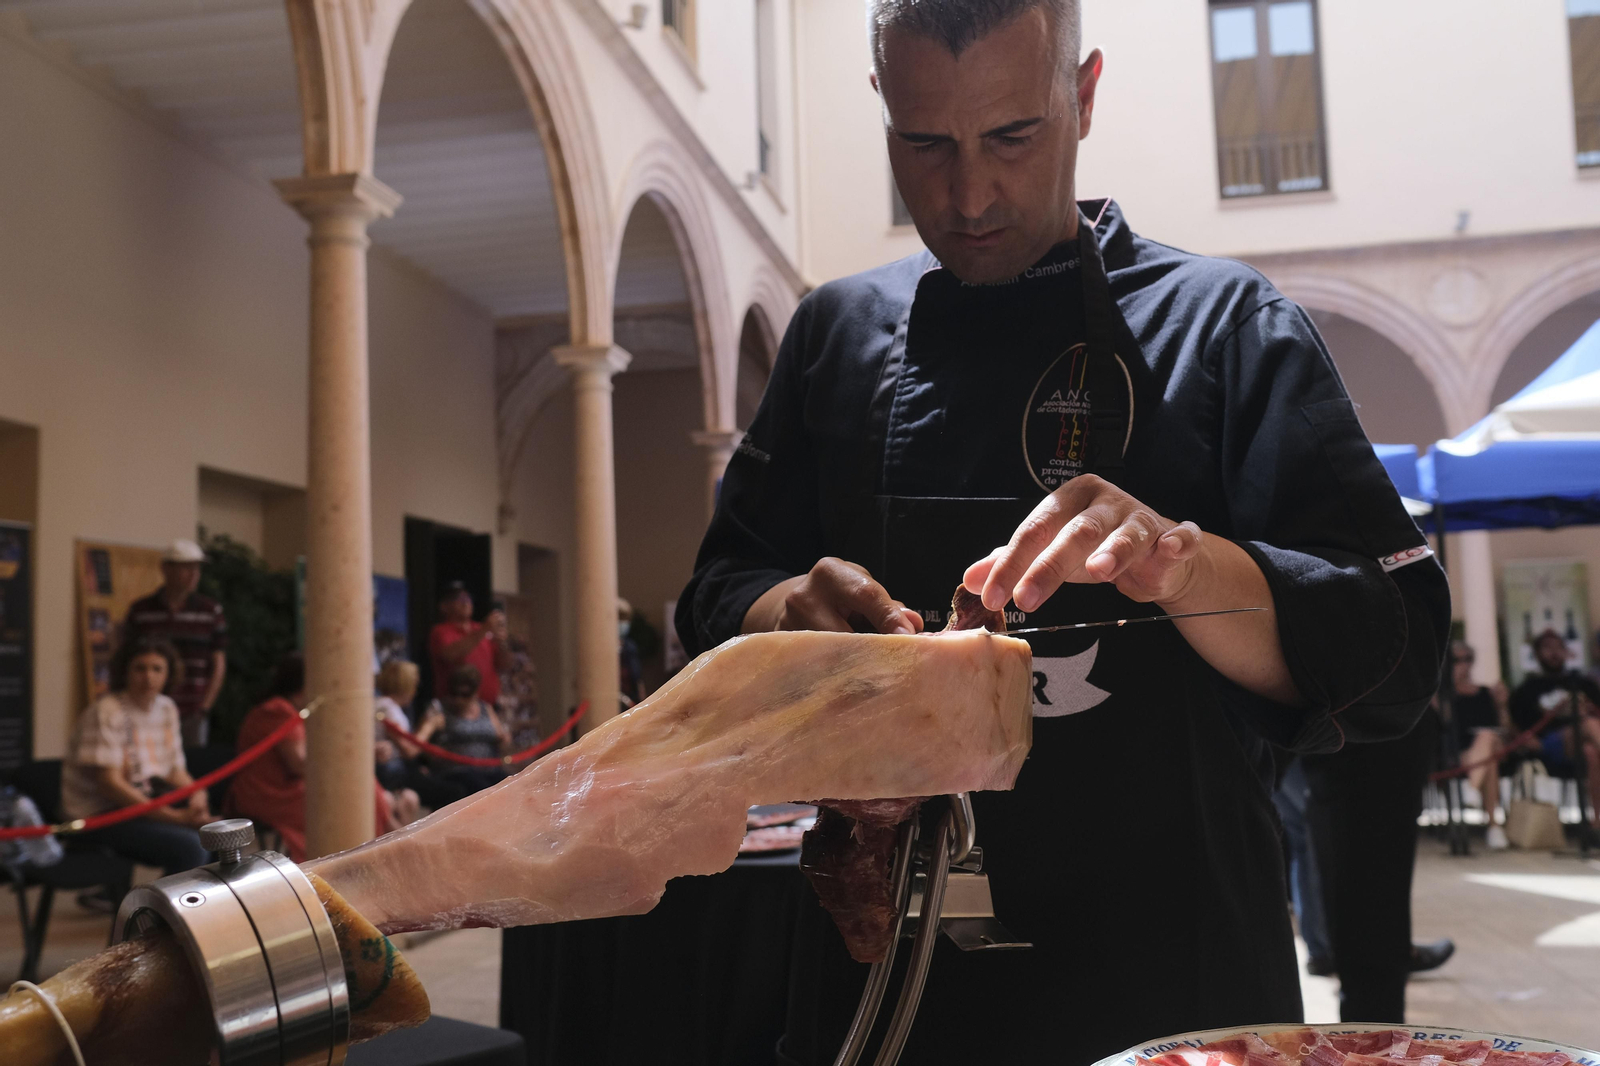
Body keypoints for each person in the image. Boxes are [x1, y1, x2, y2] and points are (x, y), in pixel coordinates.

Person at [675, 1, 1450, 1059]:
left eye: (1010, 137)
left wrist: (1180, 565)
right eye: (923, 143)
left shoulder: (1223, 326)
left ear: (1080, 97)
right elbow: (716, 591)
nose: (968, 192)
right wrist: (783, 610)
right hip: (886, 980)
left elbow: (1388, 644)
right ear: (881, 107)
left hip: (1173, 973)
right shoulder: (832, 337)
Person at [228, 654, 417, 861]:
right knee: (350, 795)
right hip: (271, 794)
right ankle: (390, 850)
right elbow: (299, 764)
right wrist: (358, 755)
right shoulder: (278, 710)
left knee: (359, 785)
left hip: (288, 788)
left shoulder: (291, 710)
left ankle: (392, 847)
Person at [62, 637, 211, 876]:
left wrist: (197, 795)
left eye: (157, 669)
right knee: (191, 848)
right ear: (125, 671)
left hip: (145, 804)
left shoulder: (166, 708)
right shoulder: (107, 711)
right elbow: (109, 784)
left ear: (168, 674)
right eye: (140, 668)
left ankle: (191, 911)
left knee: (219, 837)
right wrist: (172, 817)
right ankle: (160, 912)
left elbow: (174, 770)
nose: (148, 677)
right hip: (102, 815)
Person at [122, 538, 227, 747]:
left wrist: (204, 708)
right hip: (147, 708)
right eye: (186, 567)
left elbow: (218, 664)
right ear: (166, 569)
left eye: (197, 568)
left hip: (192, 711)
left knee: (191, 770)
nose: (193, 574)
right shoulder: (141, 611)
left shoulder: (210, 611)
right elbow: (127, 657)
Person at [1509, 629, 1600, 829]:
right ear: (1537, 654)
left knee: (1591, 753)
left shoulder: (1583, 684)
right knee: (1589, 725)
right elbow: (1516, 727)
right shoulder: (1527, 689)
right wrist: (1529, 741)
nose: (1554, 653)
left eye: (1559, 647)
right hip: (1548, 746)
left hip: (1583, 745)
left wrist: (1589, 708)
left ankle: (1597, 823)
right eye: (1547, 648)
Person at [1441, 640, 1511, 844]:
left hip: (1493, 745)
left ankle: (1471, 790)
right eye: (1457, 660)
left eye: (1468, 659)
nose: (1463, 664)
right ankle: (1494, 826)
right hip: (1463, 753)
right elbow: (1443, 723)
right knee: (1489, 762)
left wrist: (1502, 705)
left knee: (1487, 737)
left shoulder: (1485, 693)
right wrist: (1448, 687)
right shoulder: (1444, 694)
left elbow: (1504, 727)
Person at [415, 664, 511, 803]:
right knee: (483, 789)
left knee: (509, 784)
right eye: (455, 694)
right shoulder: (439, 709)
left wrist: (504, 739)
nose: (459, 700)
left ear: (476, 692)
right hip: (457, 770)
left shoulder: (485, 708)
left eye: (465, 695)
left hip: (489, 767)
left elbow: (501, 737)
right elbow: (419, 741)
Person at [427, 582, 510, 706]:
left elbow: (504, 665)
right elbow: (451, 655)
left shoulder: (480, 629)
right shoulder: (441, 631)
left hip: (488, 708)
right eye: (459, 599)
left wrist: (502, 644)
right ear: (444, 606)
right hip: (456, 708)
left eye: (468, 598)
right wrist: (484, 630)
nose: (465, 602)